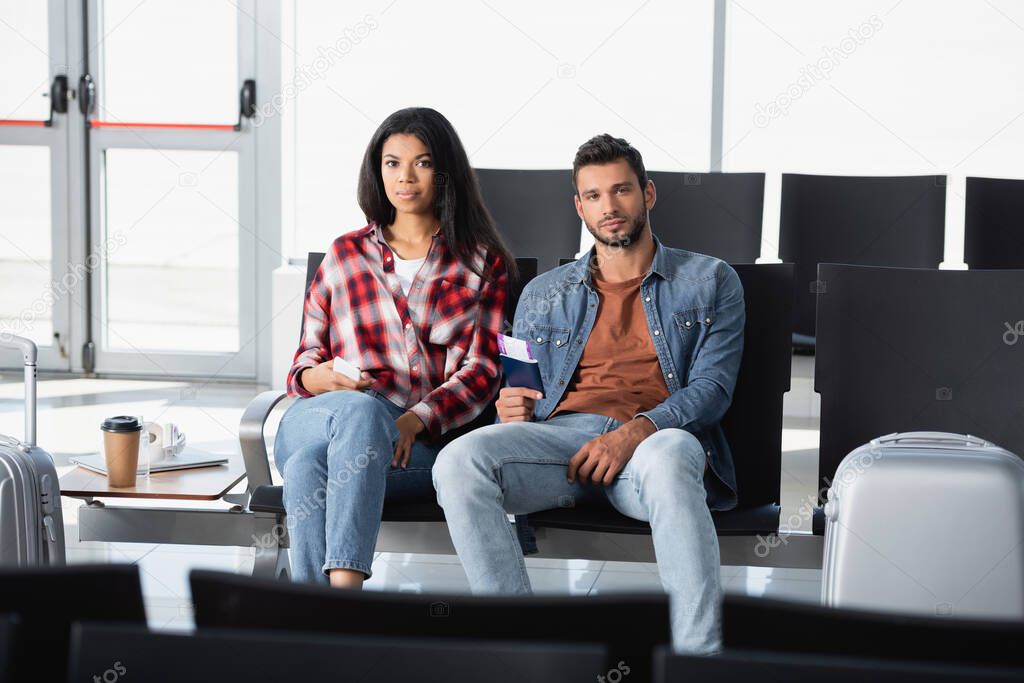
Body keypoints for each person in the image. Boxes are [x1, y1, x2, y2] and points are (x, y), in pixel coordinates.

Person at [432, 134, 745, 653]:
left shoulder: (711, 281)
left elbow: (712, 390)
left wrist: (631, 435)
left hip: (654, 443)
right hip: (561, 445)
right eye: (594, 196)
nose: (609, 207)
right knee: (458, 460)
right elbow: (521, 388)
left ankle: (697, 661)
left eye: (621, 191)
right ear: (579, 207)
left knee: (673, 456)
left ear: (648, 194)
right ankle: (518, 649)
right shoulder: (540, 293)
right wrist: (513, 405)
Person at [275, 107, 514, 588]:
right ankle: (345, 603)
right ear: (376, 170)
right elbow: (305, 358)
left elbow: (484, 369)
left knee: (308, 469)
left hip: (413, 444)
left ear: (444, 173)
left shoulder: (481, 262)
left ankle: (313, 618)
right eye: (391, 163)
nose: (405, 177)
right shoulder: (344, 254)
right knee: (357, 414)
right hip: (319, 415)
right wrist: (318, 378)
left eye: (422, 163)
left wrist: (416, 417)